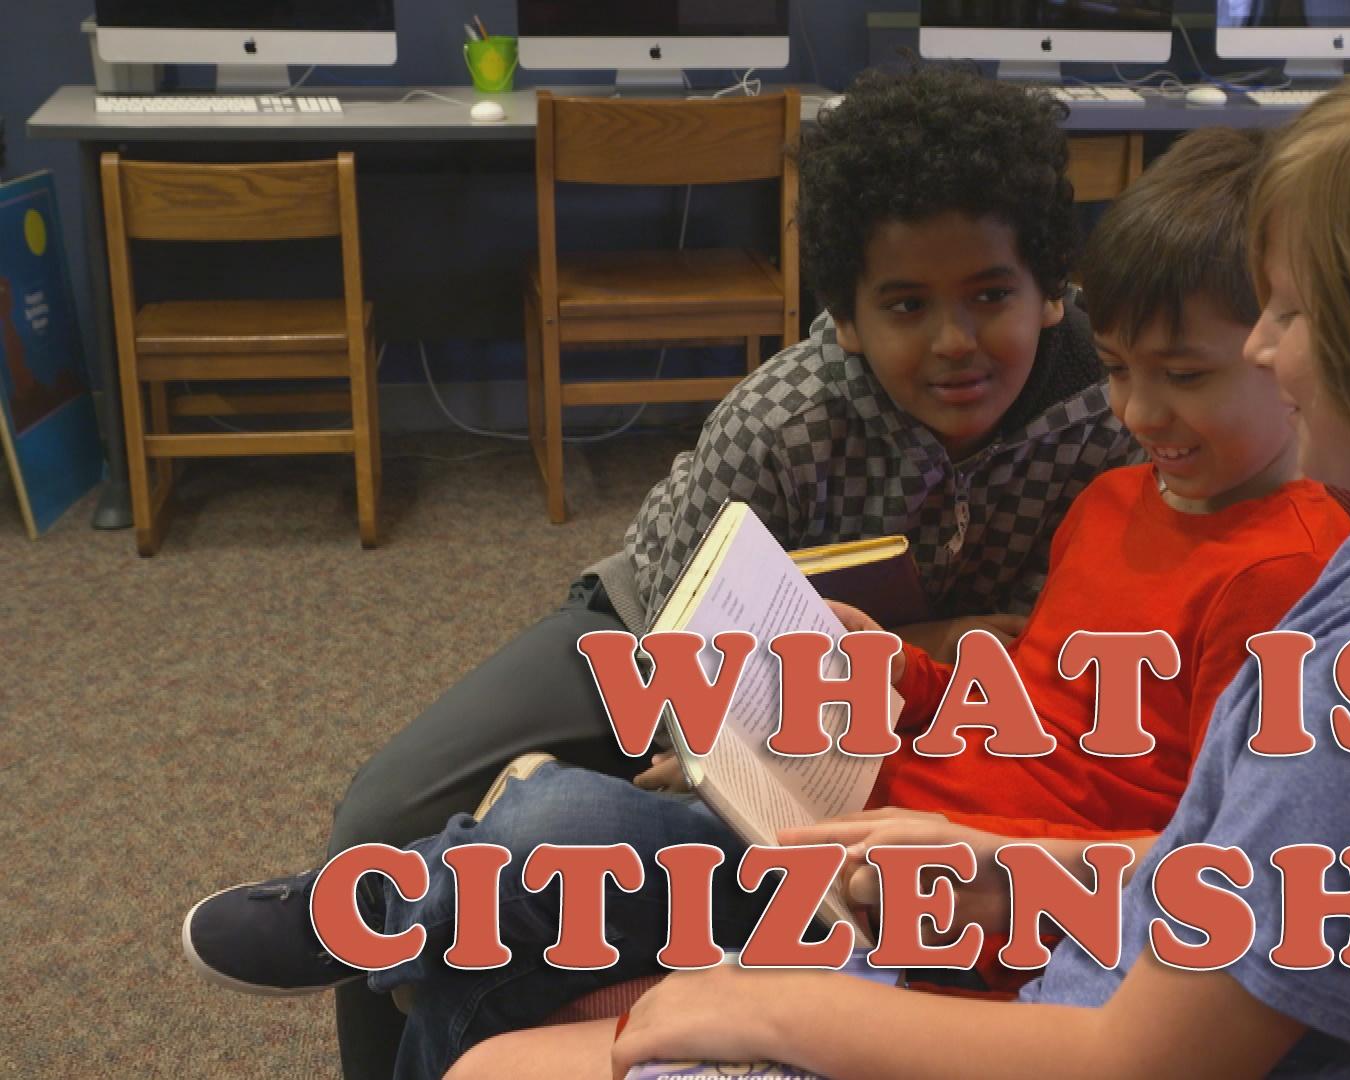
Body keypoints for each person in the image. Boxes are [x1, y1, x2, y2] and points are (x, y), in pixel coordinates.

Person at [451, 48, 1350, 1079]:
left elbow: (1141, 1054)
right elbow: (1223, 874)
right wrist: (1016, 867)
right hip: (1053, 943)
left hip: (1076, 1024)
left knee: (508, 1050)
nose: (1272, 354)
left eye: (1288, 316)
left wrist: (764, 1017)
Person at [183, 127, 1350, 1078]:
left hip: (931, 893)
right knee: (537, 835)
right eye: (1124, 374)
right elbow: (1030, 693)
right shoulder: (1095, 489)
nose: (1142, 411)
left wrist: (943, 758)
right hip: (700, 654)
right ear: (844, 316)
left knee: (547, 848)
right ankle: (393, 893)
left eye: (1181, 378)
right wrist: (893, 674)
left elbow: (1207, 854)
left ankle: (428, 895)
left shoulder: (1268, 565)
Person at [302, 66, 1139, 1079]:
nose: (955, 343)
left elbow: (1082, 640)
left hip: (882, 704)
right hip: (652, 632)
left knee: (580, 848)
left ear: (1050, 290)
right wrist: (709, 744)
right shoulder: (787, 415)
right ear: (844, 317)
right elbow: (670, 613)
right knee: (378, 827)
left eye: (990, 296)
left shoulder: (1115, 409)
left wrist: (926, 664)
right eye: (906, 305)